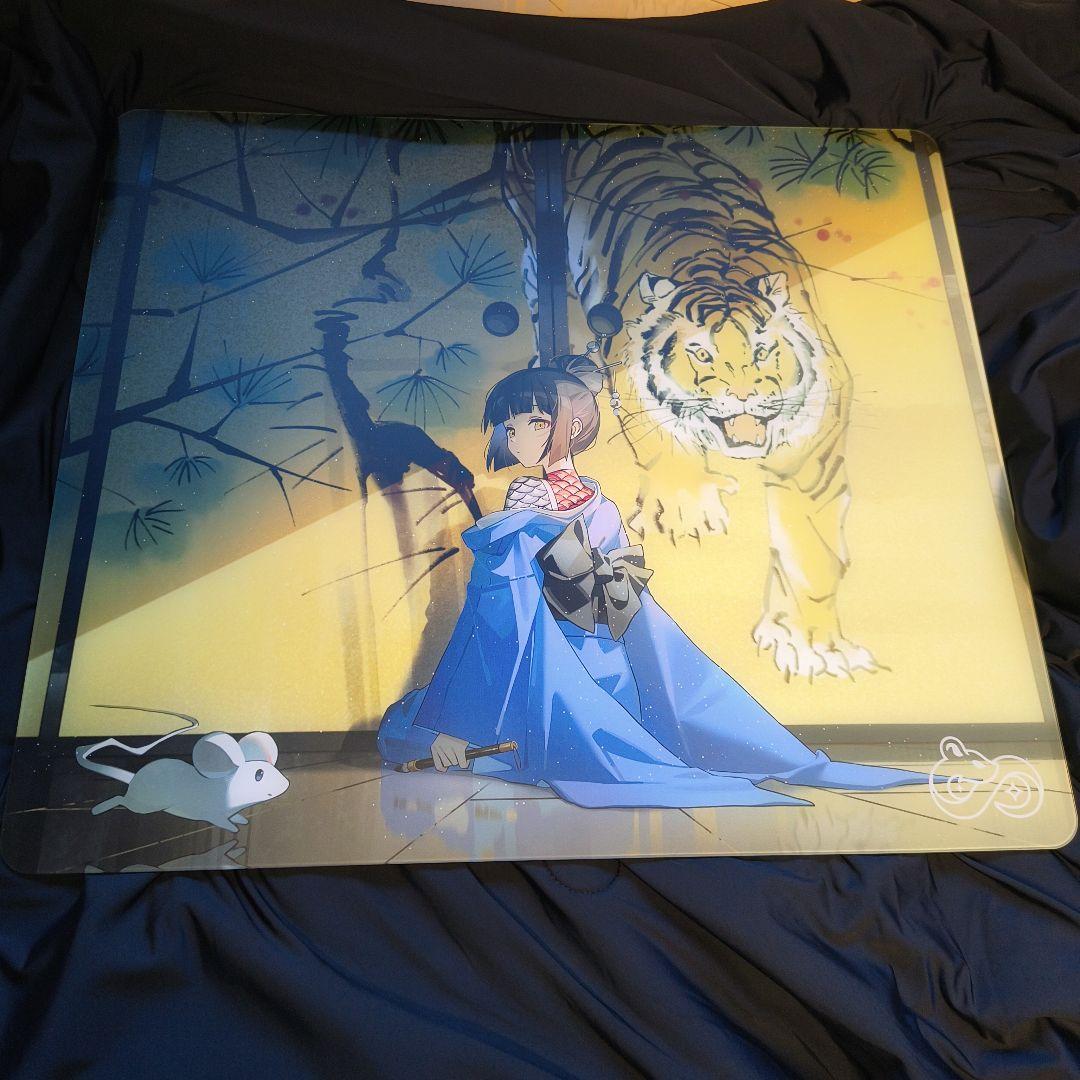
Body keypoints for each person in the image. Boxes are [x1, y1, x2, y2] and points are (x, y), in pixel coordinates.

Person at [377, 352, 931, 809]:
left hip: (566, 646)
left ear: (572, 427)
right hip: (584, 648)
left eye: (534, 423)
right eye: (512, 426)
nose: (517, 436)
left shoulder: (544, 498)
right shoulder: (580, 500)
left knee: (446, 716)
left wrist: (459, 716)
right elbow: (559, 596)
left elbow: (513, 602)